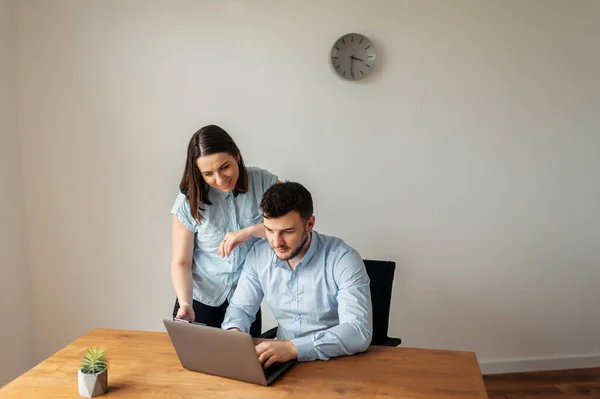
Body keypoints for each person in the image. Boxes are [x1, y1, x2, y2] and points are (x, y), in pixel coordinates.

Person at [222, 182, 372, 368]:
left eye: (287, 231)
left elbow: (358, 331)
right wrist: (235, 332)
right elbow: (241, 309)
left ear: (309, 224)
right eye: (269, 230)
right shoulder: (259, 255)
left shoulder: (343, 259)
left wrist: (294, 348)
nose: (277, 243)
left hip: (334, 361)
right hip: (280, 361)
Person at [170, 124, 279, 337]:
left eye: (225, 167)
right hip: (199, 302)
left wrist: (249, 231)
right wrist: (185, 303)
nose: (220, 180)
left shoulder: (264, 182)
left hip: (246, 302)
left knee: (244, 368)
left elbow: (292, 228)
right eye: (208, 174)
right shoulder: (188, 200)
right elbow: (181, 262)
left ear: (237, 155)